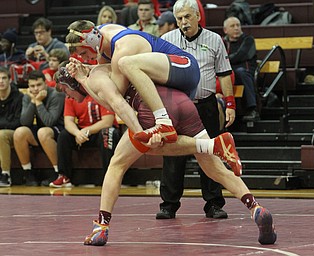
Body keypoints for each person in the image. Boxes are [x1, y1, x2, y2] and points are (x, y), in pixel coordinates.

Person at [56, 64, 276, 246]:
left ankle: (101, 227)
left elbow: (121, 106)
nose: (70, 98)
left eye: (66, 91)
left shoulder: (95, 77)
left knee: (118, 164)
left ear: (72, 81)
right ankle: (255, 207)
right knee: (215, 168)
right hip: (181, 101)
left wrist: (143, 131)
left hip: (152, 107)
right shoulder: (109, 65)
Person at [155, 0, 236, 220]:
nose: (183, 22)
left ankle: (213, 204)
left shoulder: (214, 39)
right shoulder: (165, 41)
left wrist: (230, 104)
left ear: (198, 16)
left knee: (209, 155)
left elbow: (225, 74)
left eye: (187, 17)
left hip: (206, 105)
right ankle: (168, 205)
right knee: (172, 156)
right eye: (179, 18)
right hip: (177, 108)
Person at [65, 19, 200, 145]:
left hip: (185, 67)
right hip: (170, 77)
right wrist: (87, 68)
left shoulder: (122, 48)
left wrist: (84, 80)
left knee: (125, 63)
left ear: (92, 42)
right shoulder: (101, 35)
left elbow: (115, 99)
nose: (84, 58)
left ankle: (163, 120)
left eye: (83, 53)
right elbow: (111, 72)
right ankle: (209, 146)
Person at [49, 93, 118, 188]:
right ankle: (64, 176)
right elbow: (68, 122)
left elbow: (107, 122)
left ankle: (110, 177)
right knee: (64, 135)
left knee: (107, 133)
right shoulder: (71, 96)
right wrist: (77, 133)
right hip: (82, 131)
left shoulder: (101, 93)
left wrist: (87, 130)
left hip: (100, 130)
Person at [13, 70, 65, 186]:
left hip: (59, 129)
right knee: (20, 132)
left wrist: (39, 103)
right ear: (28, 87)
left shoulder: (56, 94)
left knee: (43, 132)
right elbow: (25, 122)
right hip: (42, 129)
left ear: (45, 84)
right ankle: (28, 173)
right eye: (32, 86)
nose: (35, 89)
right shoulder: (28, 97)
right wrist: (33, 101)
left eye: (39, 85)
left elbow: (49, 121)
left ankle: (59, 172)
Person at [223, 16, 260, 122]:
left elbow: (242, 55)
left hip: (246, 72)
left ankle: (252, 109)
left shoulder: (248, 40)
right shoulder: (223, 42)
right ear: (225, 30)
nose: (236, 28)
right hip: (230, 73)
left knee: (240, 72)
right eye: (232, 26)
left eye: (238, 25)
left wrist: (225, 59)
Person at [0, 67, 23, 187]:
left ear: (10, 80)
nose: (1, 81)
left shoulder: (18, 97)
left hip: (15, 133)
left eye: (4, 78)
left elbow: (18, 121)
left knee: (1, 135)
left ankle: (5, 175)